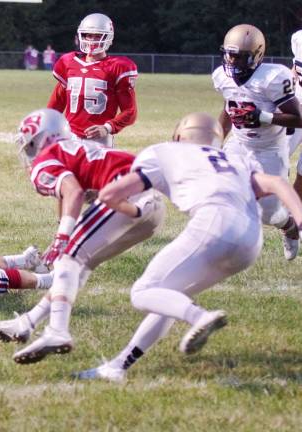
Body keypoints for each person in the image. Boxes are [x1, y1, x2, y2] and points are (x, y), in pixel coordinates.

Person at [73, 112, 302, 383]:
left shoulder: (165, 152)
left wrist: (130, 209)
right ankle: (118, 366)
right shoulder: (234, 158)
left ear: (180, 136)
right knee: (169, 297)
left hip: (213, 223)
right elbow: (276, 183)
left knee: (143, 291)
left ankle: (200, 317)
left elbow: (111, 194)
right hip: (250, 240)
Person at [0, 108, 164, 364]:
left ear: (41, 138)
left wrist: (62, 238)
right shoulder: (77, 148)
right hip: (151, 205)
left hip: (124, 195)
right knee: (77, 267)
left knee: (68, 260)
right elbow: (82, 187)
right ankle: (27, 322)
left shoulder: (47, 158)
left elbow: (73, 192)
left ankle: (57, 331)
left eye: (30, 144)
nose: (28, 152)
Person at [213, 24, 302, 260]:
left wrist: (261, 117)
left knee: (269, 213)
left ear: (257, 55)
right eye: (229, 55)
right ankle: (226, 240)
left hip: (269, 149)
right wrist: (216, 140)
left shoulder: (272, 78)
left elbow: (298, 118)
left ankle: (290, 227)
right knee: (221, 187)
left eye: (239, 57)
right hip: (240, 143)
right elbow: (228, 108)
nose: (232, 61)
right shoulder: (222, 76)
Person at [47, 13, 138, 148]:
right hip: (69, 136)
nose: (92, 40)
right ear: (81, 36)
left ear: (108, 38)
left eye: (97, 36)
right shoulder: (68, 62)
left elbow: (130, 111)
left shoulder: (117, 67)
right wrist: (48, 122)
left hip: (99, 141)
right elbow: (58, 101)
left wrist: (107, 127)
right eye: (89, 35)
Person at [289, 30, 302, 201]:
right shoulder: (298, 37)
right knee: (276, 159)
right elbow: (295, 67)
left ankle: (294, 216)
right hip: (295, 108)